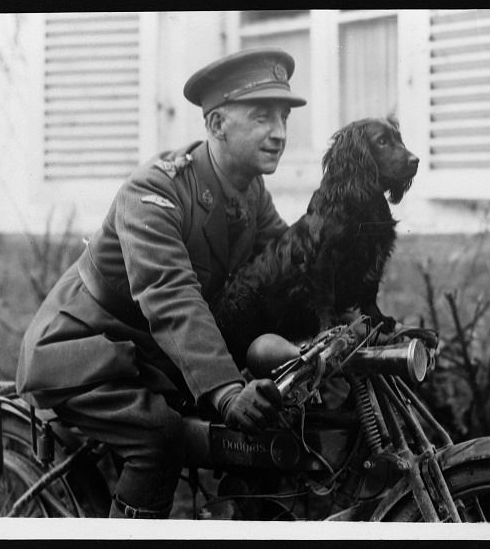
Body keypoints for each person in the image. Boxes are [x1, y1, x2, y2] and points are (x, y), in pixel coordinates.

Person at [16, 48, 307, 518]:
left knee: (266, 436)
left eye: (284, 118)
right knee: (161, 438)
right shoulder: (155, 190)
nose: (279, 133)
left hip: (150, 355)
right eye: (262, 117)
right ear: (216, 125)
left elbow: (288, 268)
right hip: (83, 351)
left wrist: (350, 321)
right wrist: (226, 390)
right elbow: (172, 295)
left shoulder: (251, 192)